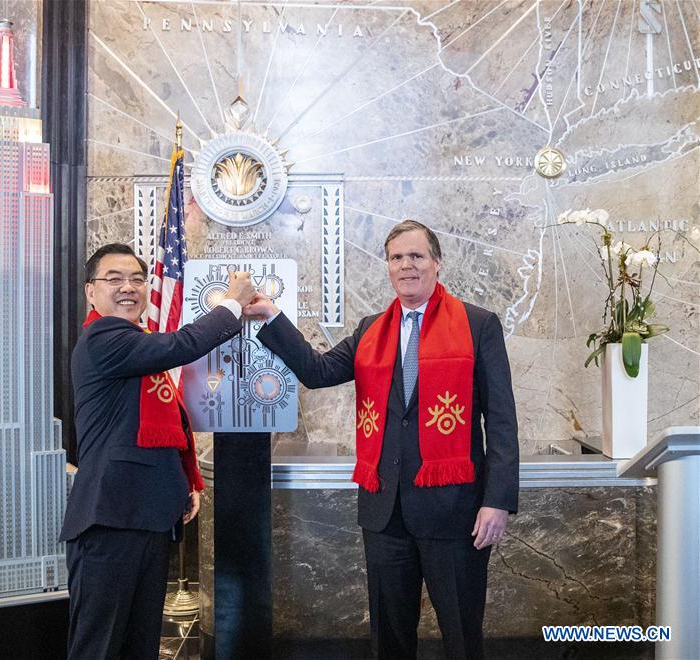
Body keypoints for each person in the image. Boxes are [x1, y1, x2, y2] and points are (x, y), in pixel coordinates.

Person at [245, 220, 519, 659]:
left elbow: (502, 420)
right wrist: (273, 317)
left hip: (454, 511)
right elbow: (317, 372)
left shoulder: (478, 324)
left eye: (417, 256)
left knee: (462, 636)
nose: (407, 265)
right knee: (390, 640)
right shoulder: (371, 330)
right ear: (388, 267)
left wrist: (498, 501)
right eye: (397, 257)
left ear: (437, 263)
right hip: (385, 514)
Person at [60, 243, 256, 659]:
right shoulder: (103, 337)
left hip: (147, 516)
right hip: (110, 520)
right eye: (114, 279)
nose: (128, 287)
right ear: (90, 292)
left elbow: (161, 424)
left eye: (137, 279)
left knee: (139, 645)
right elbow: (180, 345)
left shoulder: (136, 342)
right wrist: (232, 305)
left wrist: (184, 481)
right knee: (98, 647)